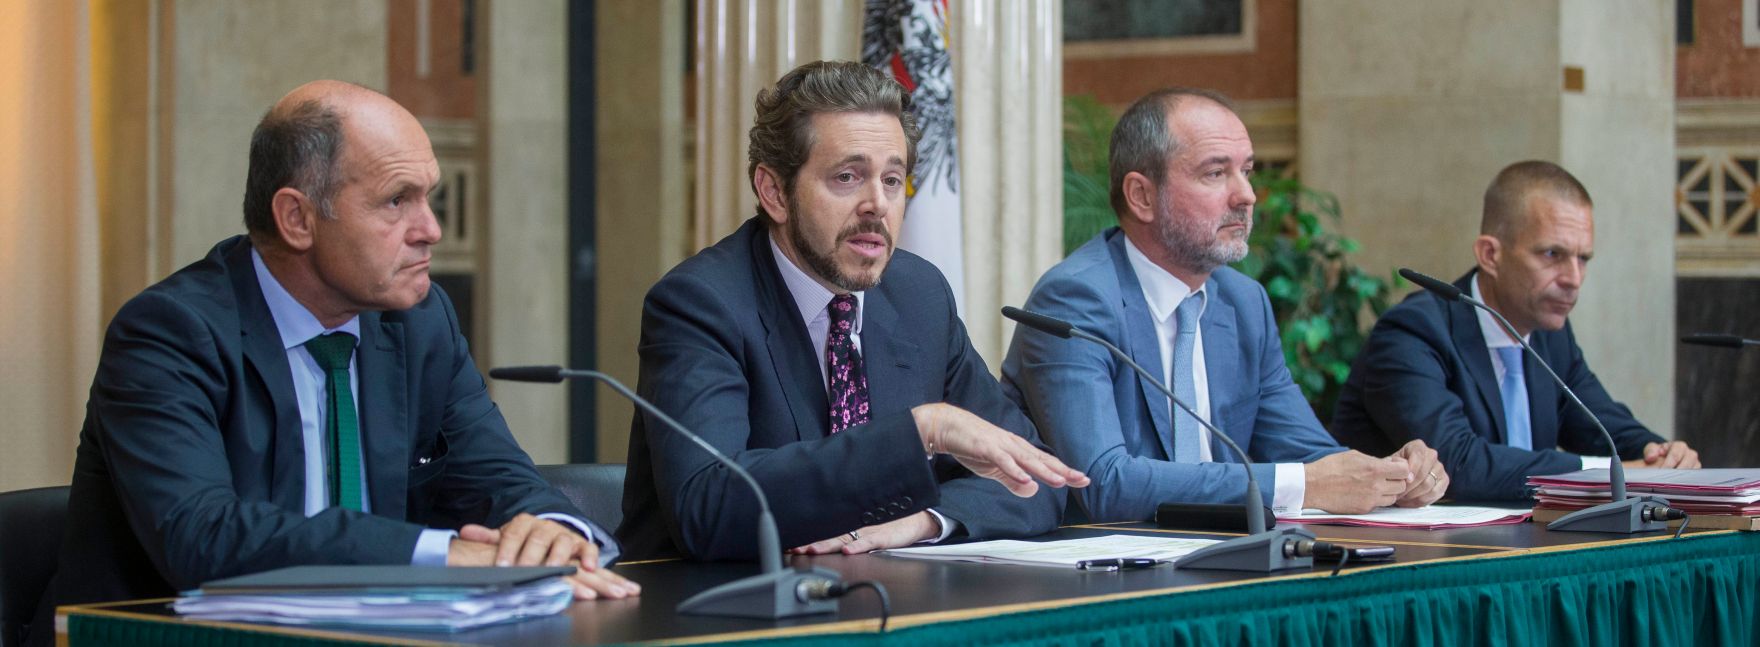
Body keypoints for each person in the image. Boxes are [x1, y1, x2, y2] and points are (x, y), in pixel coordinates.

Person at [35, 81, 635, 640]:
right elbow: (202, 537)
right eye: (396, 201)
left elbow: (500, 480)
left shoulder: (419, 323)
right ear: (297, 218)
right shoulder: (171, 333)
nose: (430, 229)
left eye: (430, 197)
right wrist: (441, 553)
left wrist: (556, 532)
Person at [617, 60, 1088, 562]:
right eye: (847, 177)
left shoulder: (919, 294)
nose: (877, 205)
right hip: (715, 618)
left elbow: (1037, 478)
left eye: (892, 180)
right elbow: (708, 507)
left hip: (887, 606)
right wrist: (920, 432)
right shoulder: (701, 302)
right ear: (773, 192)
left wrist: (919, 522)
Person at [1000, 88, 1445, 524]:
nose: (1246, 195)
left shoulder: (1243, 302)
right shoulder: (1077, 300)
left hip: (1227, 557)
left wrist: (1392, 476)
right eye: (1216, 173)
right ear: (1142, 196)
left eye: (1246, 171)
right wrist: (1305, 484)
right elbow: (1100, 481)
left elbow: (1309, 456)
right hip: (1096, 573)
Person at [1331, 161, 1699, 501]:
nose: (1573, 279)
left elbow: (1604, 427)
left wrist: (1660, 453)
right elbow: (1460, 465)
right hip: (1423, 557)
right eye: (1552, 255)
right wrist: (1611, 473)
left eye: (1583, 258)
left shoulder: (1550, 334)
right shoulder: (1414, 332)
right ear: (1491, 255)